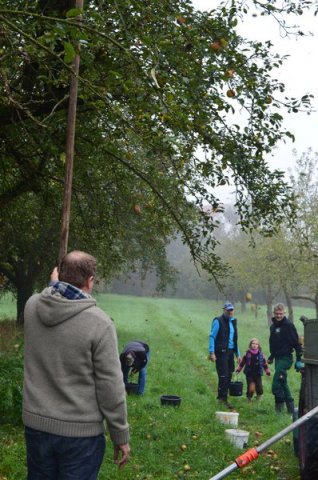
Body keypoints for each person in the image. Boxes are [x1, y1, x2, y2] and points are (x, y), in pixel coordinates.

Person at [23, 251, 130, 479]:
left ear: (58, 275)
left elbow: (52, 297)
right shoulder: (100, 323)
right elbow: (110, 386)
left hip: (36, 426)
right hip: (80, 436)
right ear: (90, 281)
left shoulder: (32, 307)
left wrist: (55, 283)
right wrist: (120, 434)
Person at [268, 303, 303, 413]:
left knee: (275, 385)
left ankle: (279, 410)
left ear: (284, 313)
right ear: (274, 313)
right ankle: (291, 410)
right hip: (278, 359)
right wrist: (271, 356)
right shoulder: (273, 327)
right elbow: (273, 343)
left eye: (281, 313)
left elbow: (296, 343)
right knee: (283, 383)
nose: (279, 315)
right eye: (277, 313)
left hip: (286, 358)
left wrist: (298, 360)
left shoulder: (288, 325)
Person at [208, 302, 241, 409]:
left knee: (229, 375)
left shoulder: (233, 322)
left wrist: (238, 354)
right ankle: (221, 399)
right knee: (223, 376)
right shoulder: (218, 321)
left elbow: (235, 340)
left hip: (230, 352)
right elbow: (212, 336)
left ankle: (224, 397)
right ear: (224, 310)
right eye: (228, 310)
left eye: (231, 310)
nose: (230, 312)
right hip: (221, 352)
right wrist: (212, 352)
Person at [236, 338, 271, 402]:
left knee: (259, 387)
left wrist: (267, 371)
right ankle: (249, 398)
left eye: (256, 344)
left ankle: (258, 397)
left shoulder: (260, 354)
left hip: (258, 373)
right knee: (251, 387)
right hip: (249, 373)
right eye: (253, 343)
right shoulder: (247, 353)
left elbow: (264, 363)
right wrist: (238, 369)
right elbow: (242, 363)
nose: (254, 345)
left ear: (258, 345)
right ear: (250, 345)